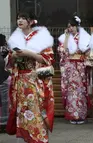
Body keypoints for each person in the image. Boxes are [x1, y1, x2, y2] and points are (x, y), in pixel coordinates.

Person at [6, 11, 55, 142]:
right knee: (22, 111)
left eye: (23, 18)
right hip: (20, 81)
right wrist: (14, 56)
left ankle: (38, 138)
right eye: (18, 18)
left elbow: (48, 59)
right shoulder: (16, 37)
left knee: (35, 109)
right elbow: (9, 61)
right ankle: (23, 137)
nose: (19, 21)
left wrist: (28, 53)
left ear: (31, 21)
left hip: (34, 79)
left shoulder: (41, 37)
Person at [58, 15, 91, 125]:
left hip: (81, 67)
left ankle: (81, 115)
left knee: (81, 91)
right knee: (72, 91)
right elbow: (63, 51)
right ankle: (72, 115)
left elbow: (88, 51)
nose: (70, 28)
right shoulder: (64, 37)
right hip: (70, 67)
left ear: (77, 26)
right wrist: (66, 38)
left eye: (72, 26)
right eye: (69, 26)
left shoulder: (84, 37)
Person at [0, 34, 10, 133]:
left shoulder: (4, 50)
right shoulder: (5, 50)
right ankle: (4, 122)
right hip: (4, 77)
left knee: (4, 101)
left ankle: (4, 122)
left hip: (3, 77)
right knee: (5, 101)